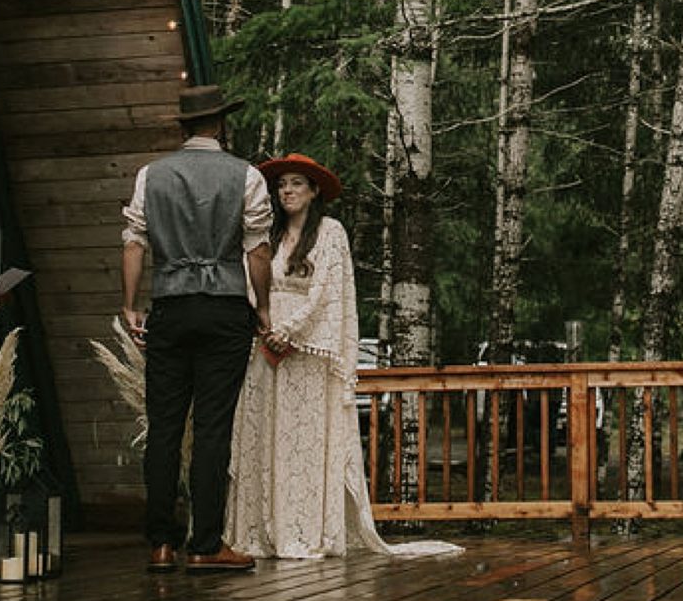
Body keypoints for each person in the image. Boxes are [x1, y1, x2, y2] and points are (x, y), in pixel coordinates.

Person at [225, 153, 459, 561]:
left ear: (314, 191)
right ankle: (263, 532)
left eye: (297, 183)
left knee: (302, 443)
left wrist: (291, 331)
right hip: (265, 347)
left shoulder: (331, 233)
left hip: (306, 352)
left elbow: (327, 293)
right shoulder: (268, 234)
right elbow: (251, 279)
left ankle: (302, 530)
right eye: (282, 185)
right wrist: (265, 325)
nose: (287, 191)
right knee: (266, 438)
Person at [121, 84, 274, 574]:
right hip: (225, 309)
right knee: (212, 429)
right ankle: (205, 544)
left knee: (164, 427)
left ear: (184, 127)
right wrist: (264, 309)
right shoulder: (246, 175)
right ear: (220, 124)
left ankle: (160, 544)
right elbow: (258, 249)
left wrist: (129, 305)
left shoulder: (152, 175)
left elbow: (134, 241)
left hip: (169, 306)